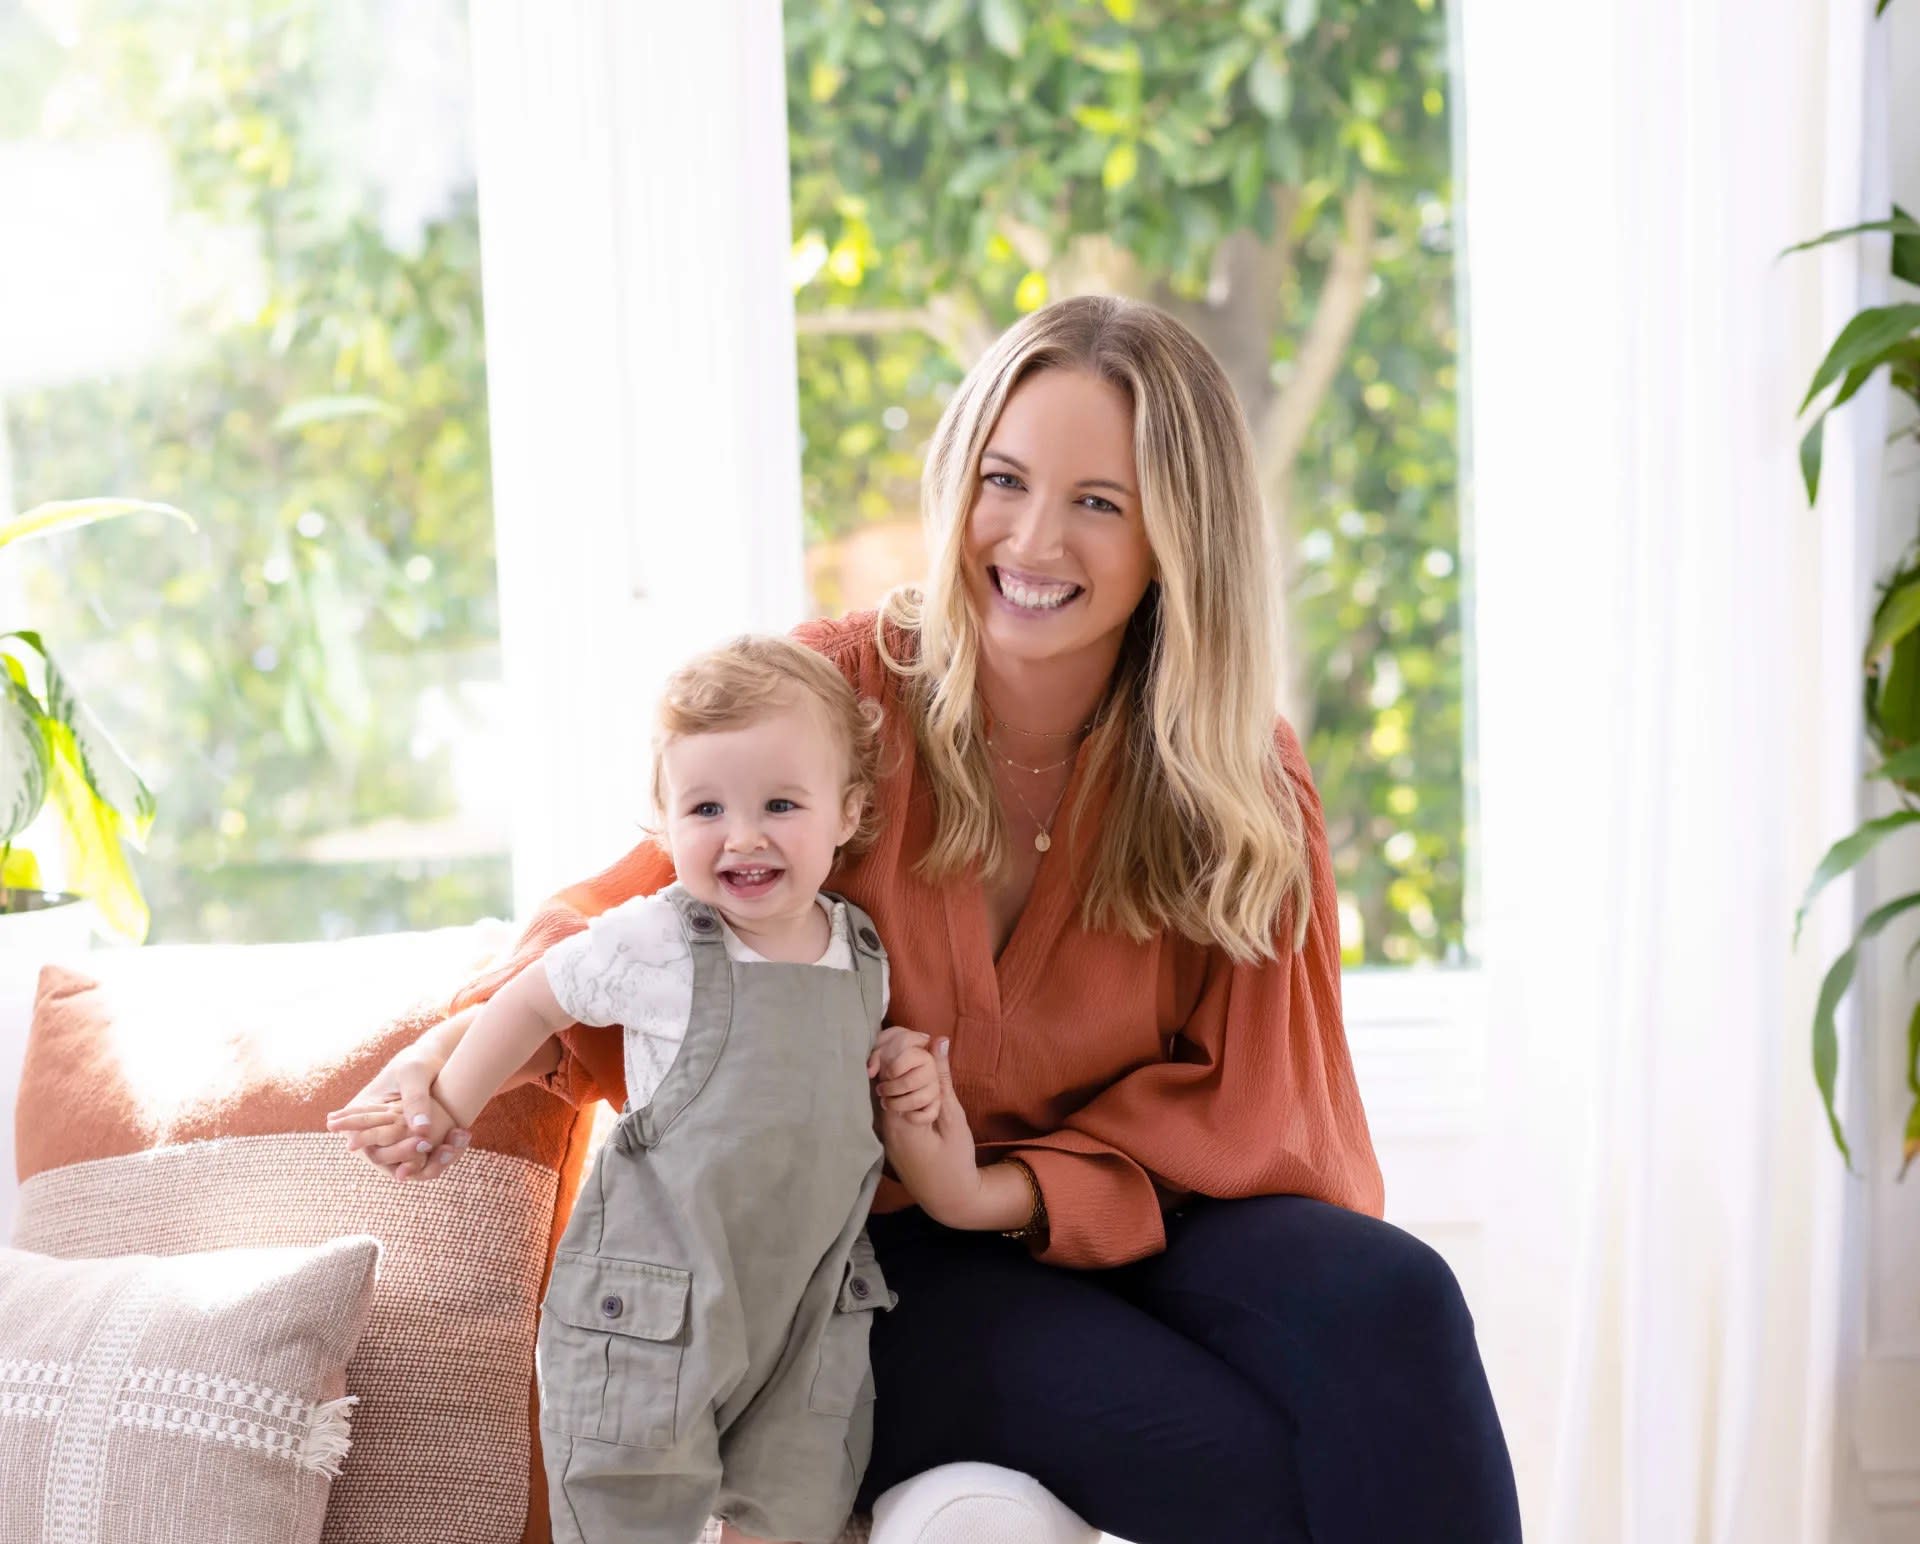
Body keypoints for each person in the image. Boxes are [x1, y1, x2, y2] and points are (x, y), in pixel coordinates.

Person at [332, 294, 1522, 1543]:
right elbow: (634, 910)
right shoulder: (842, 693)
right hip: (887, 1258)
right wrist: (453, 1044)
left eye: (1098, 503)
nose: (1032, 538)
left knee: (1401, 1299)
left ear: (1179, 535)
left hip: (1143, 1211)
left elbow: (1263, 1115)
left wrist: (998, 1189)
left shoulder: (1239, 767)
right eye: (1003, 480)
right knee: (1257, 1464)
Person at [329, 636, 940, 1544]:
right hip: (658, 1315)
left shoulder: (861, 953)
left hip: (805, 1316)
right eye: (706, 808)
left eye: (780, 803)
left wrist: (897, 1062)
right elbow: (535, 997)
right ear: (663, 819)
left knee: (797, 1509)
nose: (743, 836)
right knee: (630, 1515)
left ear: (847, 812)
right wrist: (450, 1099)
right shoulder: (658, 939)